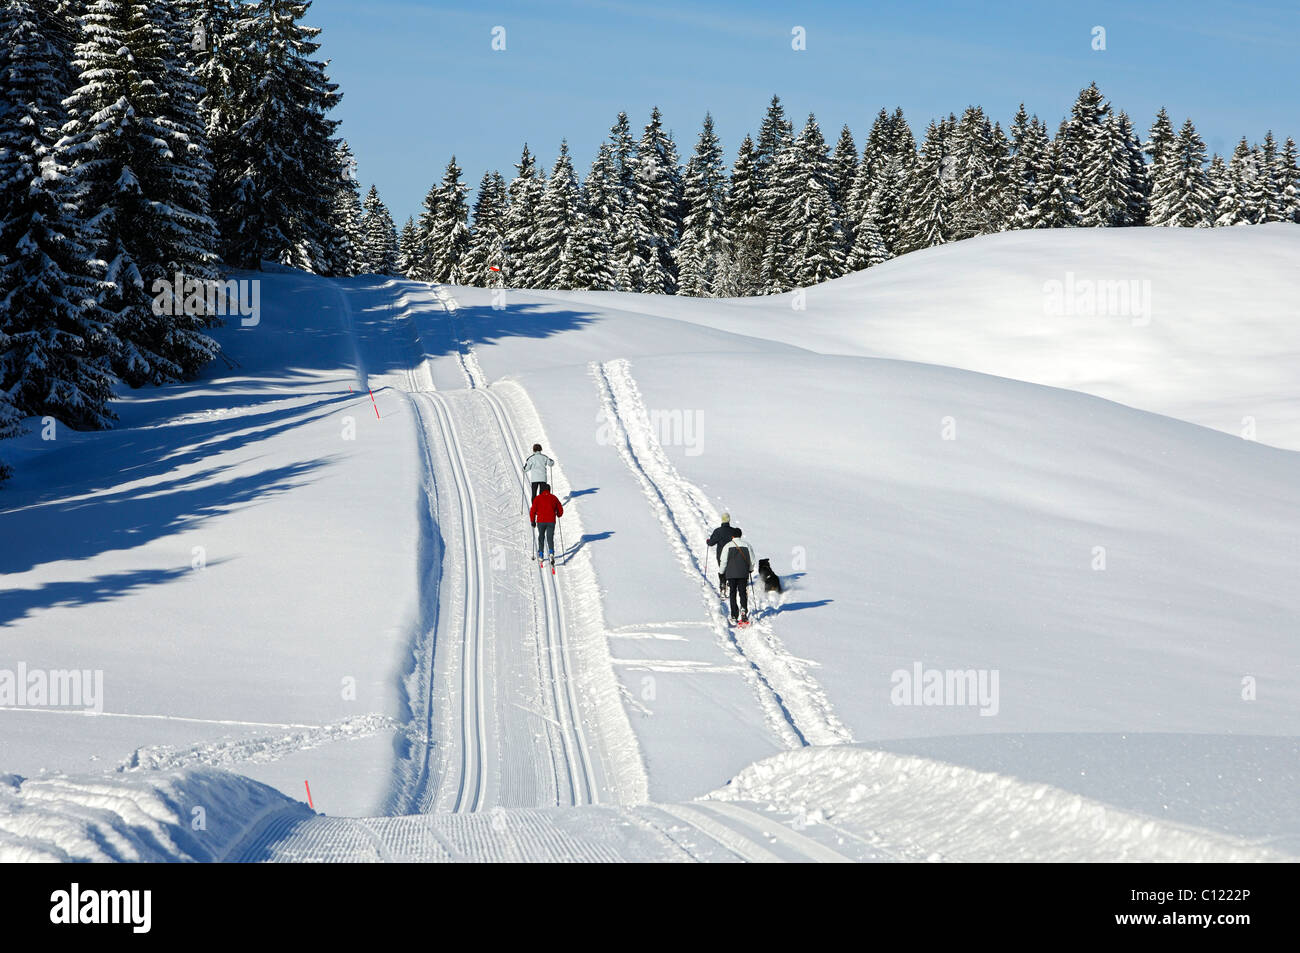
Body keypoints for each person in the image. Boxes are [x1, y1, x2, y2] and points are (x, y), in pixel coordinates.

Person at [718, 529, 757, 624]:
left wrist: (721, 572)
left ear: (732, 536)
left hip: (731, 574)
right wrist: (750, 569)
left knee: (732, 593)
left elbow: (723, 561)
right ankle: (743, 610)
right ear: (740, 535)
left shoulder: (727, 546)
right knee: (743, 592)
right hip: (743, 573)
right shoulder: (747, 545)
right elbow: (752, 560)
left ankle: (734, 615)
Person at [528, 482, 564, 561]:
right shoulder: (554, 498)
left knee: (541, 536)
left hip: (541, 521)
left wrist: (532, 521)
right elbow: (560, 508)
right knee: (550, 537)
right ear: (549, 490)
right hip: (551, 521)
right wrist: (558, 514)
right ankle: (551, 552)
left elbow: (532, 511)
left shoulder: (537, 498)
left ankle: (541, 554)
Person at [706, 513, 741, 592]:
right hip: (732, 554)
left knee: (722, 569)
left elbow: (711, 543)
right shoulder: (733, 531)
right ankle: (731, 583)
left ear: (722, 520)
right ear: (729, 520)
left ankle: (723, 584)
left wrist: (708, 541)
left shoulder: (718, 531)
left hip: (721, 554)